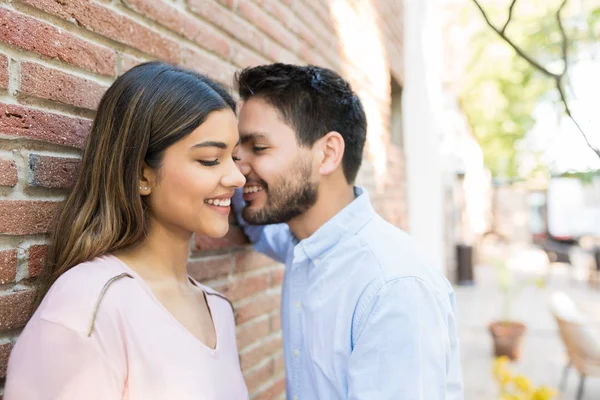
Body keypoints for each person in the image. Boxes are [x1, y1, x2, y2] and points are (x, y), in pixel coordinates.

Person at [5, 62, 248, 400]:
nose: (237, 178)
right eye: (210, 159)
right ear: (141, 175)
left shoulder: (218, 309)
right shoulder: (88, 304)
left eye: (235, 158)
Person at [233, 63, 464, 400]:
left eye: (258, 148)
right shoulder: (307, 244)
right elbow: (261, 229)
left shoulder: (393, 286)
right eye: (237, 152)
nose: (237, 170)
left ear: (327, 154)